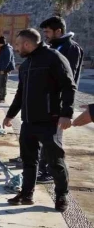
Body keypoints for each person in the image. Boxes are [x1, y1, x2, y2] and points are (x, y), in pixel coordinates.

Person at [2, 28, 75, 212]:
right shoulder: (26, 65)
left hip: (49, 121)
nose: (16, 49)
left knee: (55, 161)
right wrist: (10, 114)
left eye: (18, 45)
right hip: (28, 121)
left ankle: (61, 196)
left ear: (27, 44)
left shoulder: (53, 58)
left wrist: (66, 113)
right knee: (28, 160)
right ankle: (27, 194)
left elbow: (69, 86)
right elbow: (20, 93)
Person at [37, 16, 84, 184]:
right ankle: (42, 167)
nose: (46, 35)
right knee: (45, 136)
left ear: (59, 31)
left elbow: (68, 80)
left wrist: (67, 110)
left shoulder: (71, 49)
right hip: (47, 102)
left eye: (48, 32)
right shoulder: (53, 47)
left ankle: (51, 172)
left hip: (59, 102)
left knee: (54, 139)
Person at [0, 36, 15, 103]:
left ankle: (2, 98)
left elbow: (7, 61)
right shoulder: (2, 48)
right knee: (0, 83)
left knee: (3, 84)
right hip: (1, 69)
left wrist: (3, 70)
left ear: (1, 43)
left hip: (5, 70)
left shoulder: (7, 49)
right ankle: (0, 97)